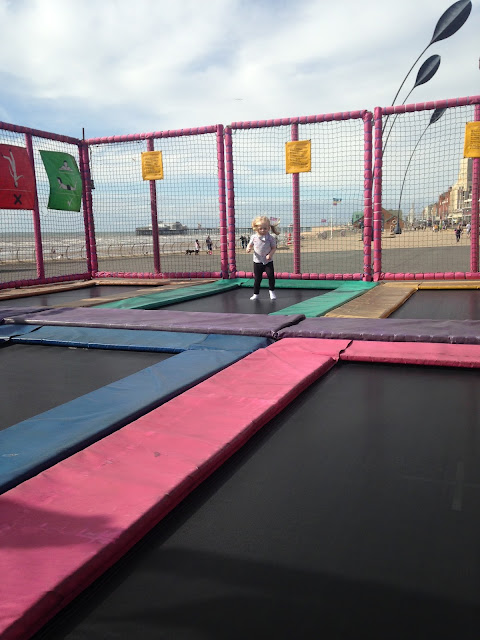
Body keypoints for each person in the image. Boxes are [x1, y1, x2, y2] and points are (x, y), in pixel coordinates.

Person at [246, 215, 279, 301]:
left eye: (265, 228)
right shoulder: (254, 237)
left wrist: (270, 254)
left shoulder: (271, 238)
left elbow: (274, 248)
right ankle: (256, 293)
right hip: (257, 261)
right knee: (257, 278)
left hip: (268, 261)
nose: (263, 230)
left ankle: (272, 291)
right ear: (256, 228)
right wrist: (248, 248)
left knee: (271, 276)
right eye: (261, 228)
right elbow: (250, 245)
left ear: (269, 228)